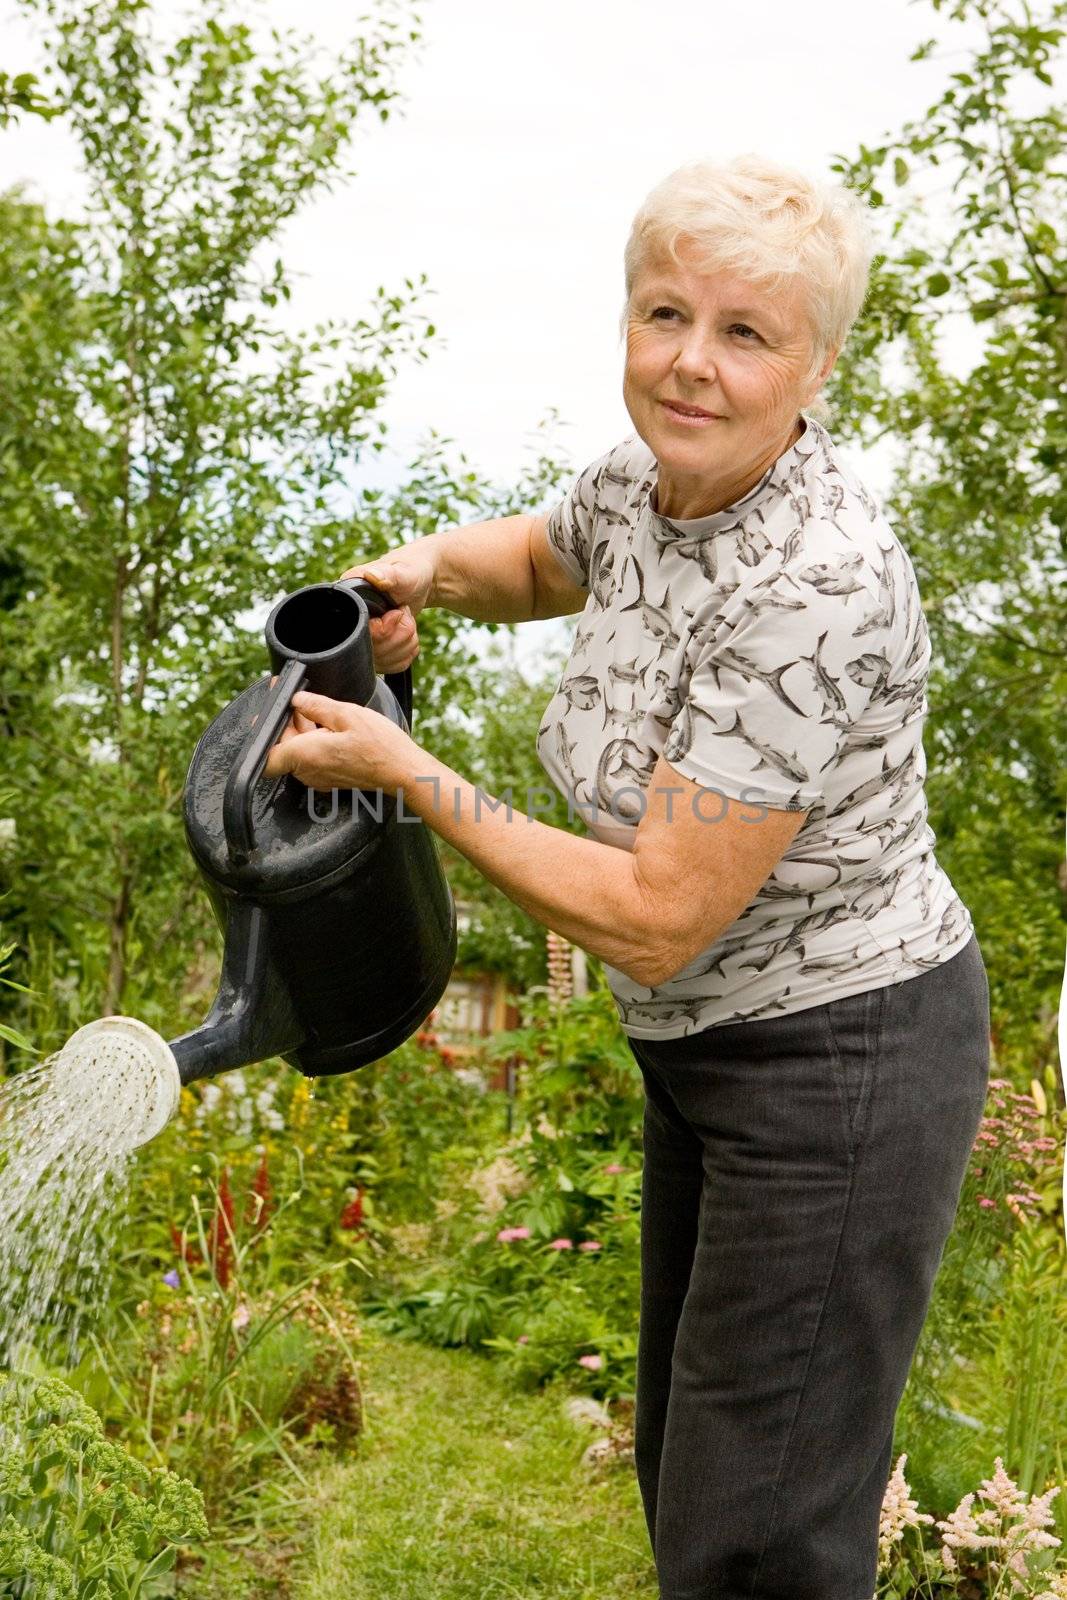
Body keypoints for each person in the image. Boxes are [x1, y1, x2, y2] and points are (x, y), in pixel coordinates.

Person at [264, 154, 991, 1599]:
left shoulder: (814, 584)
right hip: (716, 1053)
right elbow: (544, 555)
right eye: (664, 315)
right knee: (703, 1480)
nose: (691, 366)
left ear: (819, 363)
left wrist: (415, 779)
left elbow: (658, 920)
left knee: (758, 1536)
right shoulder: (646, 488)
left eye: (745, 333)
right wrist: (412, 577)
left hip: (835, 1059)